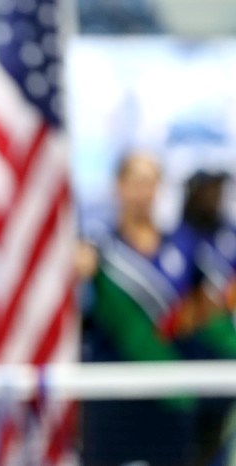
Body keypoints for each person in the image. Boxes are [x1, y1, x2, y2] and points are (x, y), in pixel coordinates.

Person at [78, 152, 199, 465]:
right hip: (111, 392)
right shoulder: (99, 245)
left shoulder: (184, 243)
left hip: (170, 393)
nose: (142, 192)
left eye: (149, 182)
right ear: (119, 186)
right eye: (134, 181)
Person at [171, 170, 236, 465]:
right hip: (193, 364)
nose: (215, 198)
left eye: (219, 191)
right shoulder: (177, 240)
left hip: (229, 363)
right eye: (208, 191)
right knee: (195, 446)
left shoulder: (228, 235)